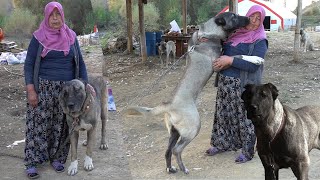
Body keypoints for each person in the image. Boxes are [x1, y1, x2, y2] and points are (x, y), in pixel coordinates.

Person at [23, 1, 88, 179]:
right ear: (46, 16)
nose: (55, 18)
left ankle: (57, 158)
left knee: (62, 125)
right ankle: (32, 162)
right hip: (42, 88)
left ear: (62, 16)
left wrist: (85, 84)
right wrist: (30, 90)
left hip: (67, 91)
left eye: (58, 14)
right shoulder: (38, 37)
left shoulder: (71, 36)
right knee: (38, 125)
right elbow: (29, 65)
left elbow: (80, 63)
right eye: (51, 15)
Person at [205, 5, 268, 164]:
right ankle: (222, 144)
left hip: (243, 86)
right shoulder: (235, 33)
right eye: (252, 16)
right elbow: (221, 48)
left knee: (245, 119)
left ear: (261, 22)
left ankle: (247, 151)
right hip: (225, 83)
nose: (254, 21)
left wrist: (230, 60)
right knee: (223, 116)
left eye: (258, 18)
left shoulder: (260, 40)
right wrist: (208, 40)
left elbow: (254, 65)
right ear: (247, 16)